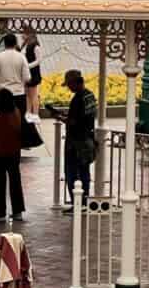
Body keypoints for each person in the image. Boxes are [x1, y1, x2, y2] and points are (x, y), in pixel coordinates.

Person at [48, 69, 97, 203]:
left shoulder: (78, 99)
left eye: (69, 84)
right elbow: (84, 117)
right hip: (88, 140)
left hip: (76, 143)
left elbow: (74, 121)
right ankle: (84, 201)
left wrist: (59, 117)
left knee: (72, 174)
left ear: (75, 83)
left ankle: (77, 203)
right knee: (84, 173)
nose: (68, 88)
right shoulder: (90, 95)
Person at [0, 89, 26, 222]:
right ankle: (17, 211)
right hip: (15, 152)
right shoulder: (17, 112)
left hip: (0, 153)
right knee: (15, 181)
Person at [0, 31, 30, 115]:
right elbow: (27, 77)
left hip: (1, 94)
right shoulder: (21, 57)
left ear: (4, 44)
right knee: (19, 121)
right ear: (16, 43)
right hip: (18, 93)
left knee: (3, 121)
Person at [22, 27, 42, 114]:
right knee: (27, 95)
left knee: (33, 94)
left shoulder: (35, 46)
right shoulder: (25, 45)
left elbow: (39, 60)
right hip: (26, 73)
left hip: (33, 73)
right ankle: (28, 112)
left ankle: (35, 113)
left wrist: (27, 66)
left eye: (24, 33)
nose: (22, 35)